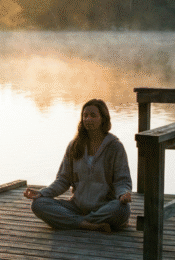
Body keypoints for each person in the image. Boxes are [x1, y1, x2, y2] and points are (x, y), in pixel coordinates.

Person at [24, 99, 133, 232]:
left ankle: (76, 221)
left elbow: (122, 180)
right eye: (85, 116)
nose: (88, 119)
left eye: (93, 115)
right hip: (76, 206)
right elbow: (63, 180)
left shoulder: (115, 147)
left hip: (104, 206)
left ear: (103, 119)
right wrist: (42, 193)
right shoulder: (75, 145)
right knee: (38, 204)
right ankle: (88, 223)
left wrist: (123, 194)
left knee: (122, 209)